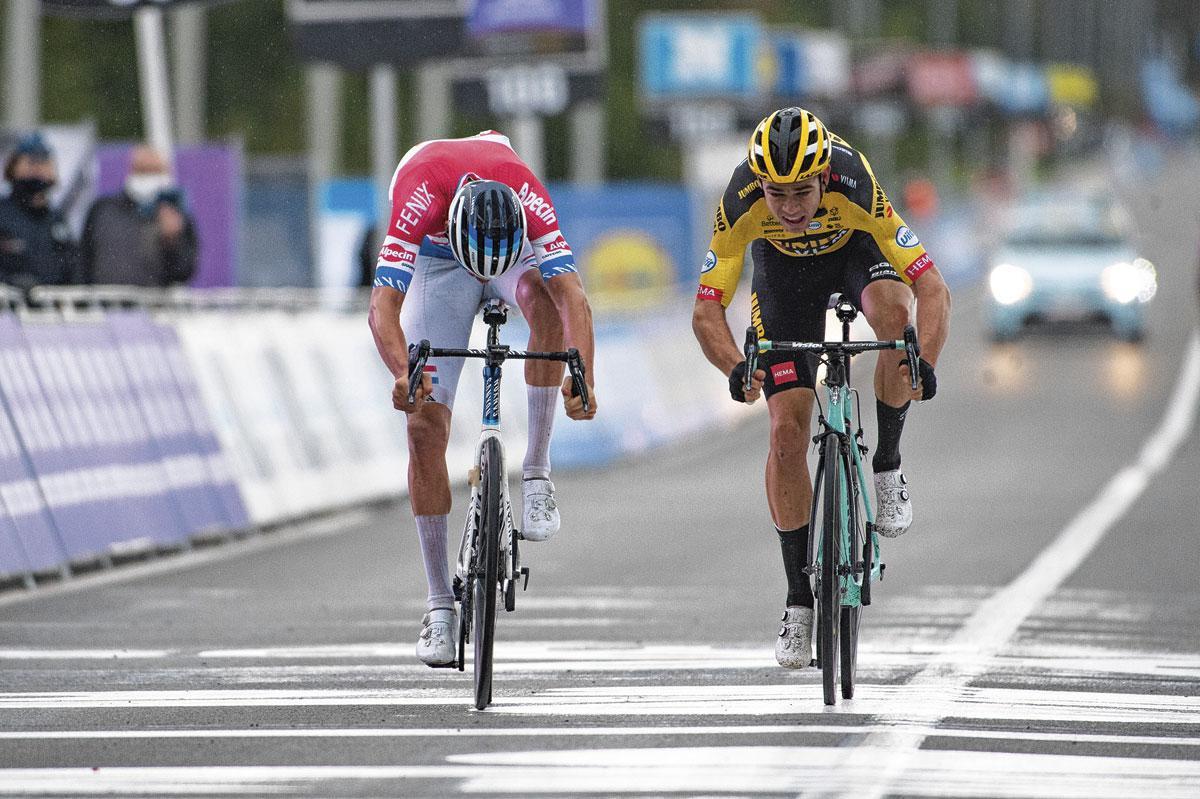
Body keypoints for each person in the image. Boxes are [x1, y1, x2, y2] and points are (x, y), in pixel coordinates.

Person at [691, 107, 951, 668]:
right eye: (775, 194)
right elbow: (707, 309)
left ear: (824, 177)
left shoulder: (855, 178)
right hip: (783, 283)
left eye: (802, 193)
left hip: (856, 257)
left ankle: (886, 463)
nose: (788, 208)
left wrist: (923, 359)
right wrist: (735, 366)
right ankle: (798, 601)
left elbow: (931, 287)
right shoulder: (739, 201)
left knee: (893, 321)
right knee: (786, 434)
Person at [367, 130, 597, 667]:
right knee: (423, 426)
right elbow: (383, 310)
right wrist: (405, 374)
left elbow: (573, 298)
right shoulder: (419, 194)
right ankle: (439, 607)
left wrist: (582, 373)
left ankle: (537, 469)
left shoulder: (528, 194)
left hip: (510, 252)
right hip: (439, 262)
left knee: (541, 299)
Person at [79, 144, 197, 287]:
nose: (149, 178)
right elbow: (83, 261)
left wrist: (171, 241)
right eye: (143, 171)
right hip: (106, 304)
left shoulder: (176, 216)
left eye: (155, 172)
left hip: (153, 305)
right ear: (131, 171)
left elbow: (184, 272)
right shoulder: (103, 209)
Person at [0, 132, 77, 291]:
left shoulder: (57, 220)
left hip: (51, 309)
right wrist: (9, 282)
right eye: (31, 162)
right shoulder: (3, 214)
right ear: (13, 167)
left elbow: (74, 268)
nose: (37, 169)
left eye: (44, 162)